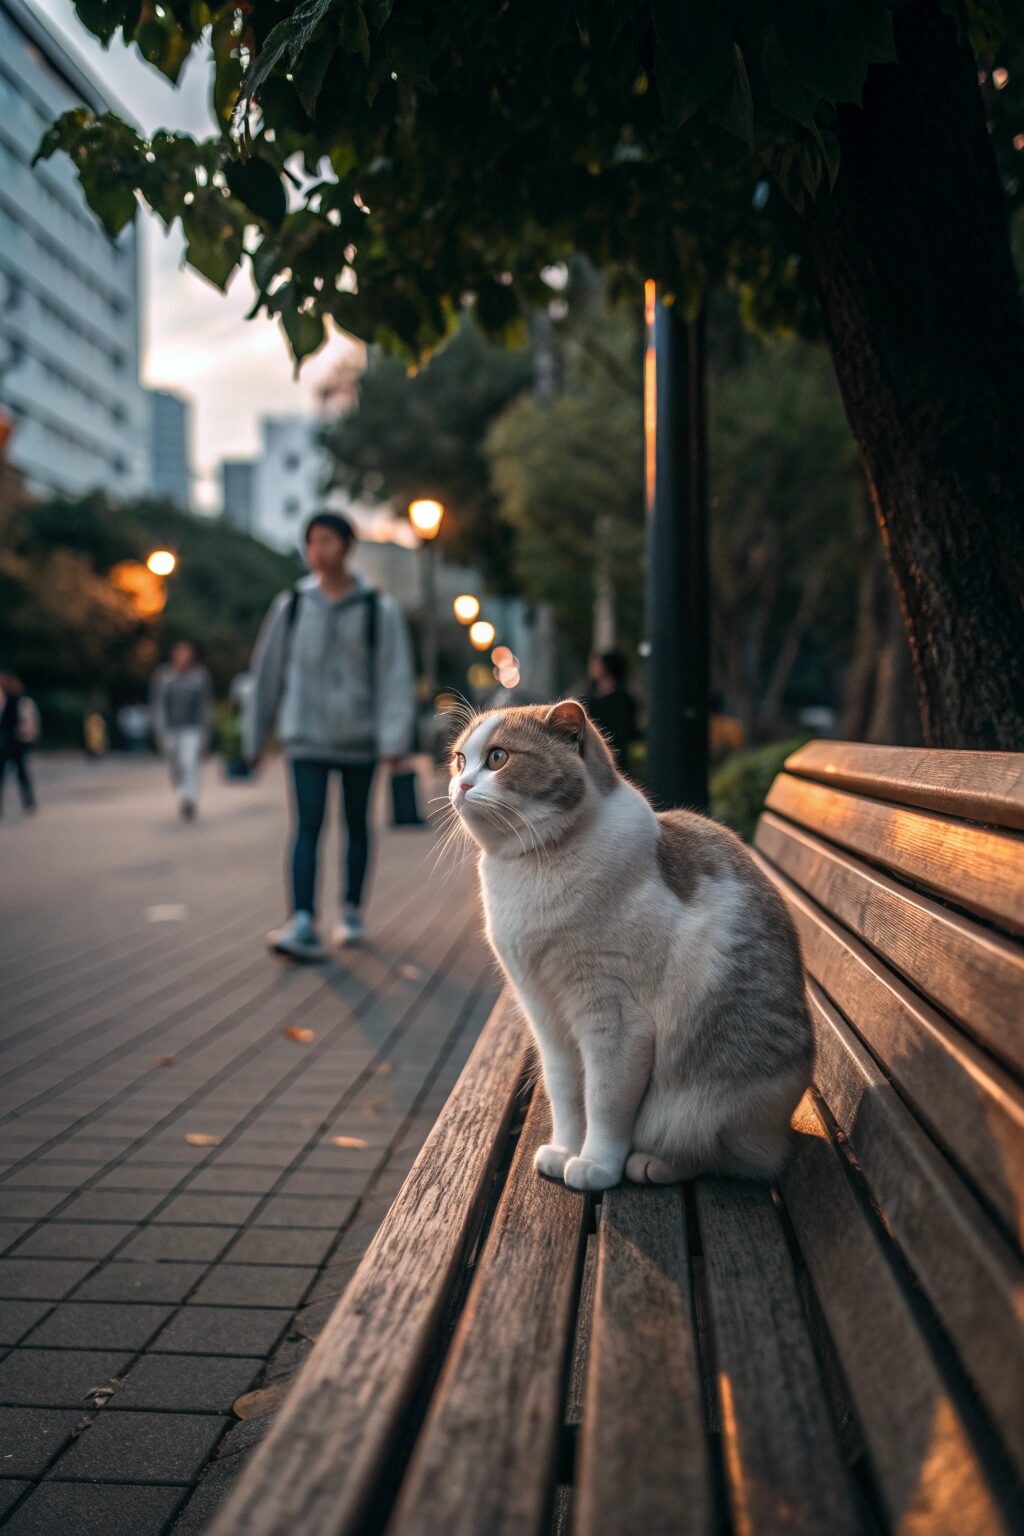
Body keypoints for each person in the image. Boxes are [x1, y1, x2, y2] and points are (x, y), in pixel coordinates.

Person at [245, 511, 415, 961]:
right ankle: (303, 919)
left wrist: (394, 739)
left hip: (360, 740)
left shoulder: (380, 609)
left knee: (357, 826)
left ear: (346, 546)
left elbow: (395, 677)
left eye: (325, 541)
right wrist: (255, 737)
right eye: (310, 542)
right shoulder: (292, 605)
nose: (316, 550)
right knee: (308, 825)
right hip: (305, 737)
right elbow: (267, 674)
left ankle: (352, 911)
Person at [149, 641, 214, 820]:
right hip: (171, 728)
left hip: (192, 728)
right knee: (176, 765)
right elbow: (159, 704)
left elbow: (205, 705)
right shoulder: (164, 675)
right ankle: (182, 792)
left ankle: (188, 799)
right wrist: (159, 729)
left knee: (190, 762)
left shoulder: (199, 676)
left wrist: (206, 731)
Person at [582, 650, 638, 770]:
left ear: (606, 667)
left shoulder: (623, 701)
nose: (592, 668)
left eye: (597, 664)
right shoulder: (589, 699)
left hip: (615, 761)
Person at [0, 675, 39, 816]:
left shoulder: (13, 701)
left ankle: (29, 802)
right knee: (22, 774)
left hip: (11, 742)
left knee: (16, 774)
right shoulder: (21, 701)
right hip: (16, 742)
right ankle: (29, 802)